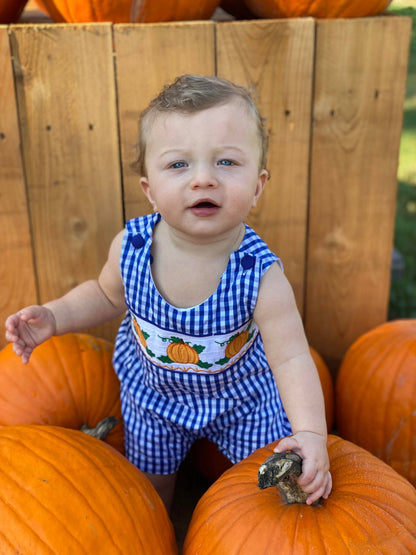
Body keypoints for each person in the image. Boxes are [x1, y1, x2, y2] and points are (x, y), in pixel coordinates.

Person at [5, 74, 331, 511]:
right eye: (179, 165)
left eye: (227, 163)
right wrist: (56, 316)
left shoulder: (260, 276)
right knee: (151, 487)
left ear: (257, 185)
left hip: (242, 399)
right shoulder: (132, 248)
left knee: (273, 485)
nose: (203, 180)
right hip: (155, 398)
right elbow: (105, 296)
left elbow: (291, 357)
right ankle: (160, 530)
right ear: (150, 191)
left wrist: (311, 432)